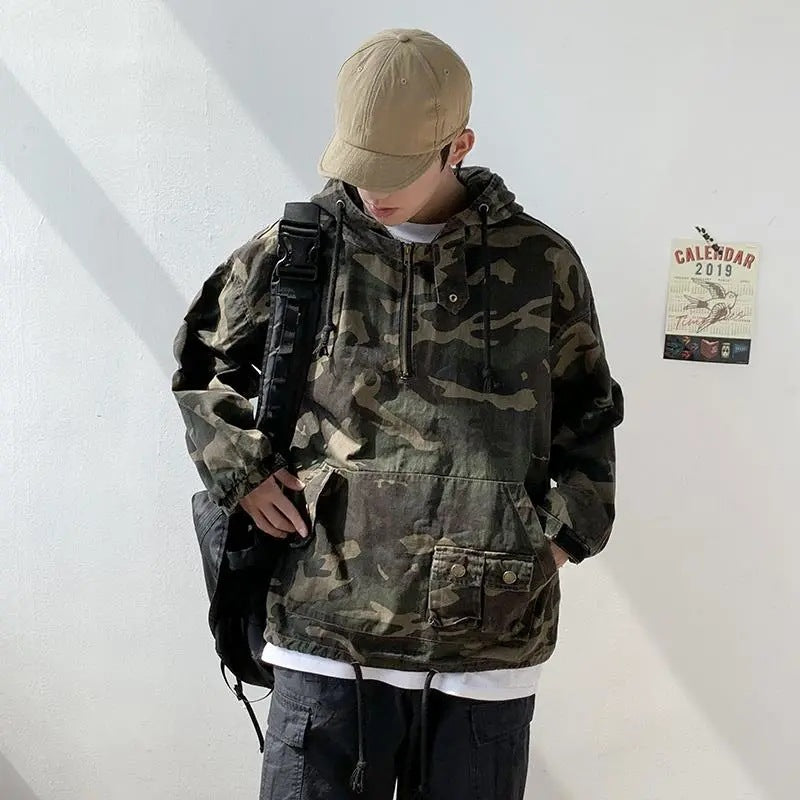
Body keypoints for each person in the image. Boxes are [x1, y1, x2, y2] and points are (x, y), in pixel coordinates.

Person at [171, 27, 623, 800]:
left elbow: (589, 416)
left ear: (459, 146)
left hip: (487, 645)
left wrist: (550, 544)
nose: (373, 190)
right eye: (360, 165)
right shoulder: (300, 249)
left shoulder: (539, 263)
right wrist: (242, 471)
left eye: (396, 170)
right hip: (324, 623)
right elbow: (203, 364)